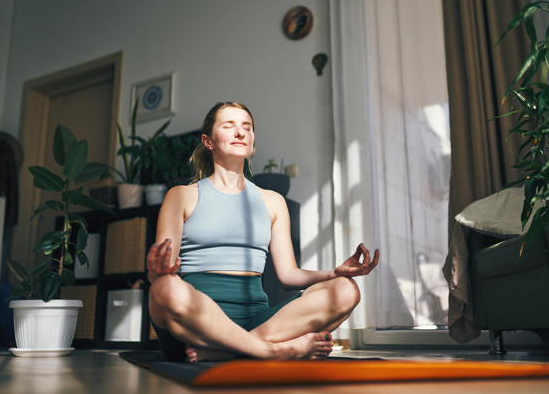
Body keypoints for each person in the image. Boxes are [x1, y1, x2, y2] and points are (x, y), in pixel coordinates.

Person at [147, 101, 380, 362]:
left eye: (246, 126)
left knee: (346, 290)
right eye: (229, 126)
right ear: (208, 141)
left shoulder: (273, 201)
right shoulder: (181, 196)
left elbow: (288, 275)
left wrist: (334, 273)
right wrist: (156, 273)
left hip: (258, 322)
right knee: (164, 288)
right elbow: (160, 273)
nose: (240, 132)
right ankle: (275, 350)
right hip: (196, 325)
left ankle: (229, 352)